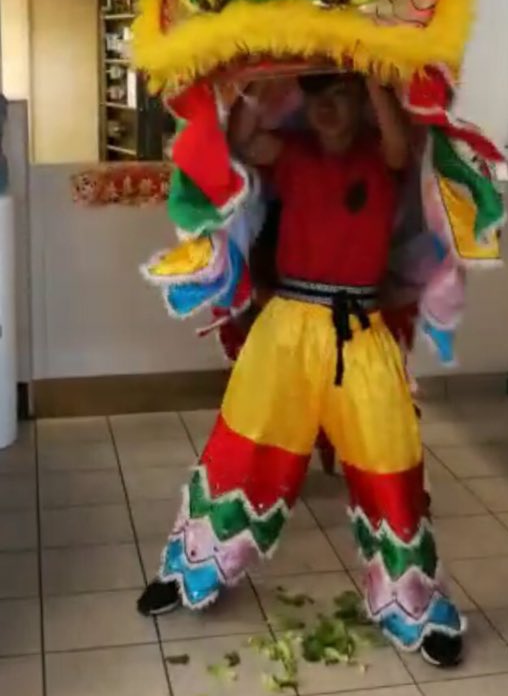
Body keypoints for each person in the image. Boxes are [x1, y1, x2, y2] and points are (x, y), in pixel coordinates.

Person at [137, 73, 464, 668]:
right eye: (316, 98)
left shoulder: (385, 155)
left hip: (361, 332)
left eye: (339, 95)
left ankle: (413, 603)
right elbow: (241, 143)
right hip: (287, 325)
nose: (327, 109)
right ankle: (193, 570)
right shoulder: (292, 154)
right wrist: (257, 84)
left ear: (360, 101)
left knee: (392, 459)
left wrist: (369, 73)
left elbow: (397, 145)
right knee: (239, 449)